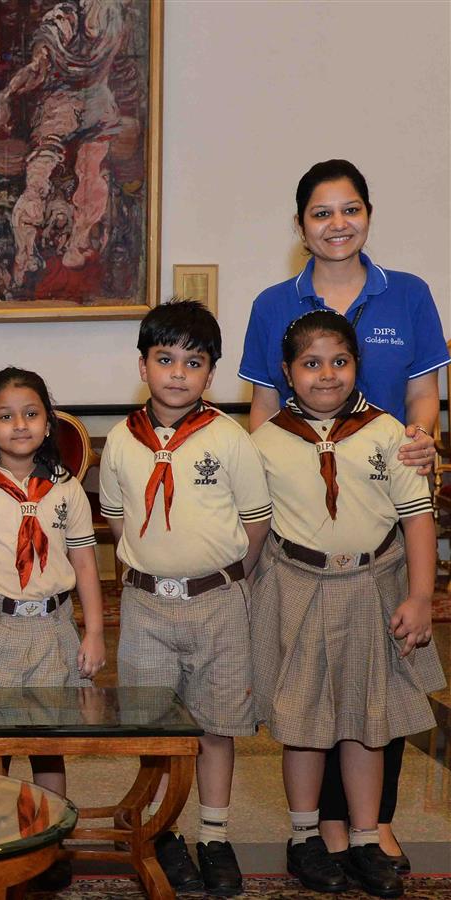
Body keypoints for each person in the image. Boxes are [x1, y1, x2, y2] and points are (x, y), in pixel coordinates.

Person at [240, 159, 449, 872]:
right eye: (322, 213)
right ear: (301, 225)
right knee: (306, 699)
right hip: (300, 527)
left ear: (368, 213)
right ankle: (320, 830)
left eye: (350, 209)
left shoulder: (409, 294)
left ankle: (370, 827)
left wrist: (424, 440)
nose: (337, 224)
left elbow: (425, 392)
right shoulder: (275, 303)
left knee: (373, 695)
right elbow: (264, 407)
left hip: (386, 492)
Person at [250, 311, 441, 898]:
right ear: (286, 373)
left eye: (339, 361)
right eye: (310, 364)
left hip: (371, 588)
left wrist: (420, 594)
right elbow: (248, 527)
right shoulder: (263, 441)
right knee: (302, 720)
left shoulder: (391, 435)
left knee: (367, 719)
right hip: (296, 587)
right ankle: (306, 836)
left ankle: (364, 837)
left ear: (357, 366)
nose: (326, 375)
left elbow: (417, 517)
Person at [99, 301, 273, 895]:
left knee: (217, 726)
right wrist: (158, 571)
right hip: (147, 607)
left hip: (218, 605)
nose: (177, 373)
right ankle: (163, 830)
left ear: (211, 373)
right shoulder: (121, 439)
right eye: (164, 358)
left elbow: (255, 524)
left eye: (192, 362)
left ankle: (216, 835)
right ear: (143, 365)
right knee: (154, 728)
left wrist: (218, 579)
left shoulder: (230, 437)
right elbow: (119, 522)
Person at [0, 367, 104, 890]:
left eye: (31, 414)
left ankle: (49, 841)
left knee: (48, 743)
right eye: (5, 416)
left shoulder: (65, 488)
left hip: (53, 627)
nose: (19, 426)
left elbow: (84, 565)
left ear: (48, 422)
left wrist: (95, 631)